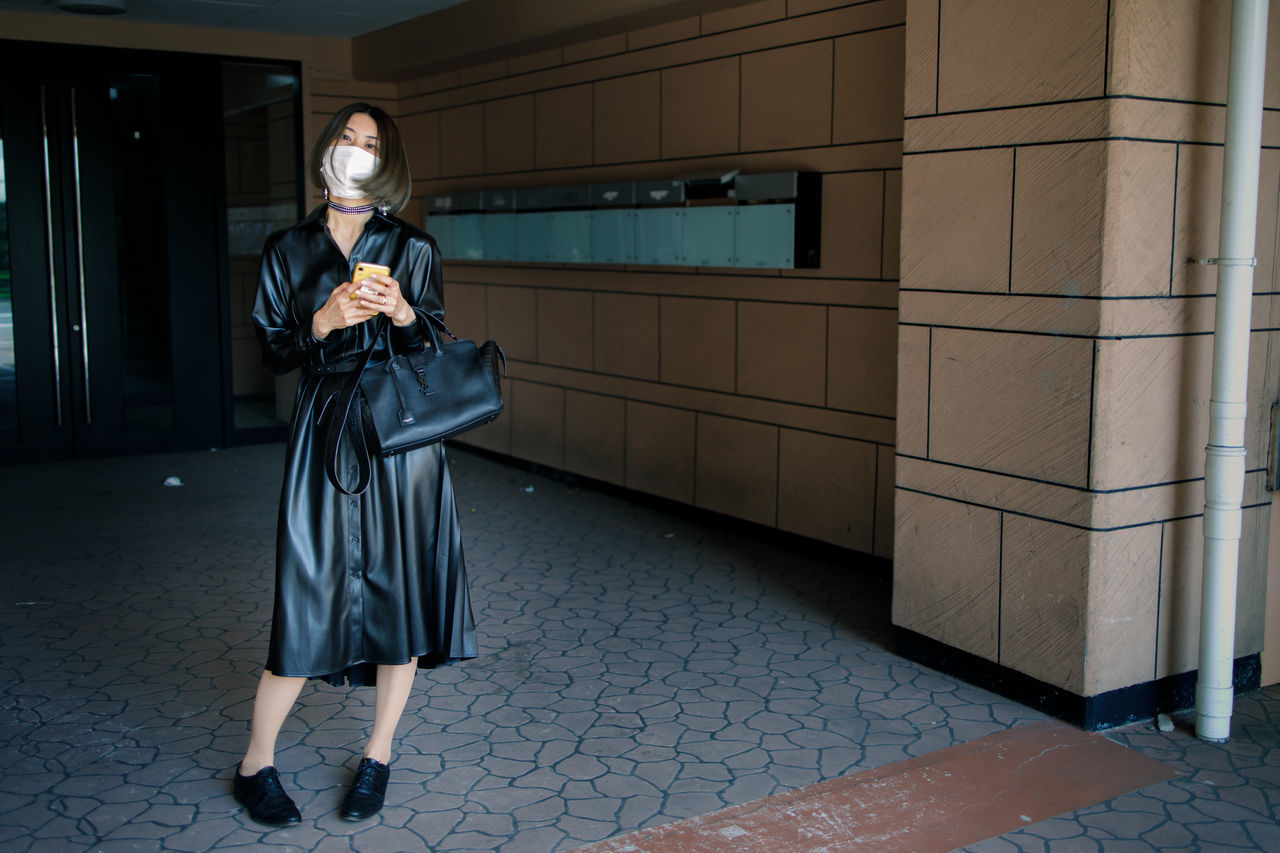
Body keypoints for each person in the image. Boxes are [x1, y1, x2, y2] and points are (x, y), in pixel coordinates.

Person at [235, 102, 477, 826]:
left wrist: (402, 312)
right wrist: (323, 321)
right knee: (306, 592)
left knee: (398, 595)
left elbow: (434, 350)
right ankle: (256, 762)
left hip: (399, 441)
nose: (358, 151)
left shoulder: (413, 247)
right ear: (327, 150)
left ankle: (378, 755)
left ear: (388, 161)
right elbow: (274, 351)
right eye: (348, 137)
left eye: (373, 144)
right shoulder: (286, 249)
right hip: (324, 430)